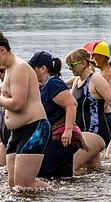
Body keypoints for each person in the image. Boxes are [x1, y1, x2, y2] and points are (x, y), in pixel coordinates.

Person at [0, 32, 51, 188]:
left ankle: (60, 196)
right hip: (17, 131)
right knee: (13, 185)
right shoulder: (9, 69)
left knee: (25, 184)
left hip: (34, 128)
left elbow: (18, 104)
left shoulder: (19, 67)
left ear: (1, 50)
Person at [66, 47, 111, 170]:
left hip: (95, 132)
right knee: (92, 171)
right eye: (68, 66)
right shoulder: (76, 81)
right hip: (82, 133)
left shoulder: (96, 79)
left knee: (70, 168)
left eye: (72, 65)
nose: (70, 69)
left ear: (83, 64)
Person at [30, 51, 85, 179]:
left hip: (62, 137)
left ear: (43, 69)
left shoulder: (53, 83)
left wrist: (68, 130)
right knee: (62, 178)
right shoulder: (44, 86)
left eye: (33, 68)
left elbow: (71, 104)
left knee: (41, 174)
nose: (31, 71)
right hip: (58, 137)